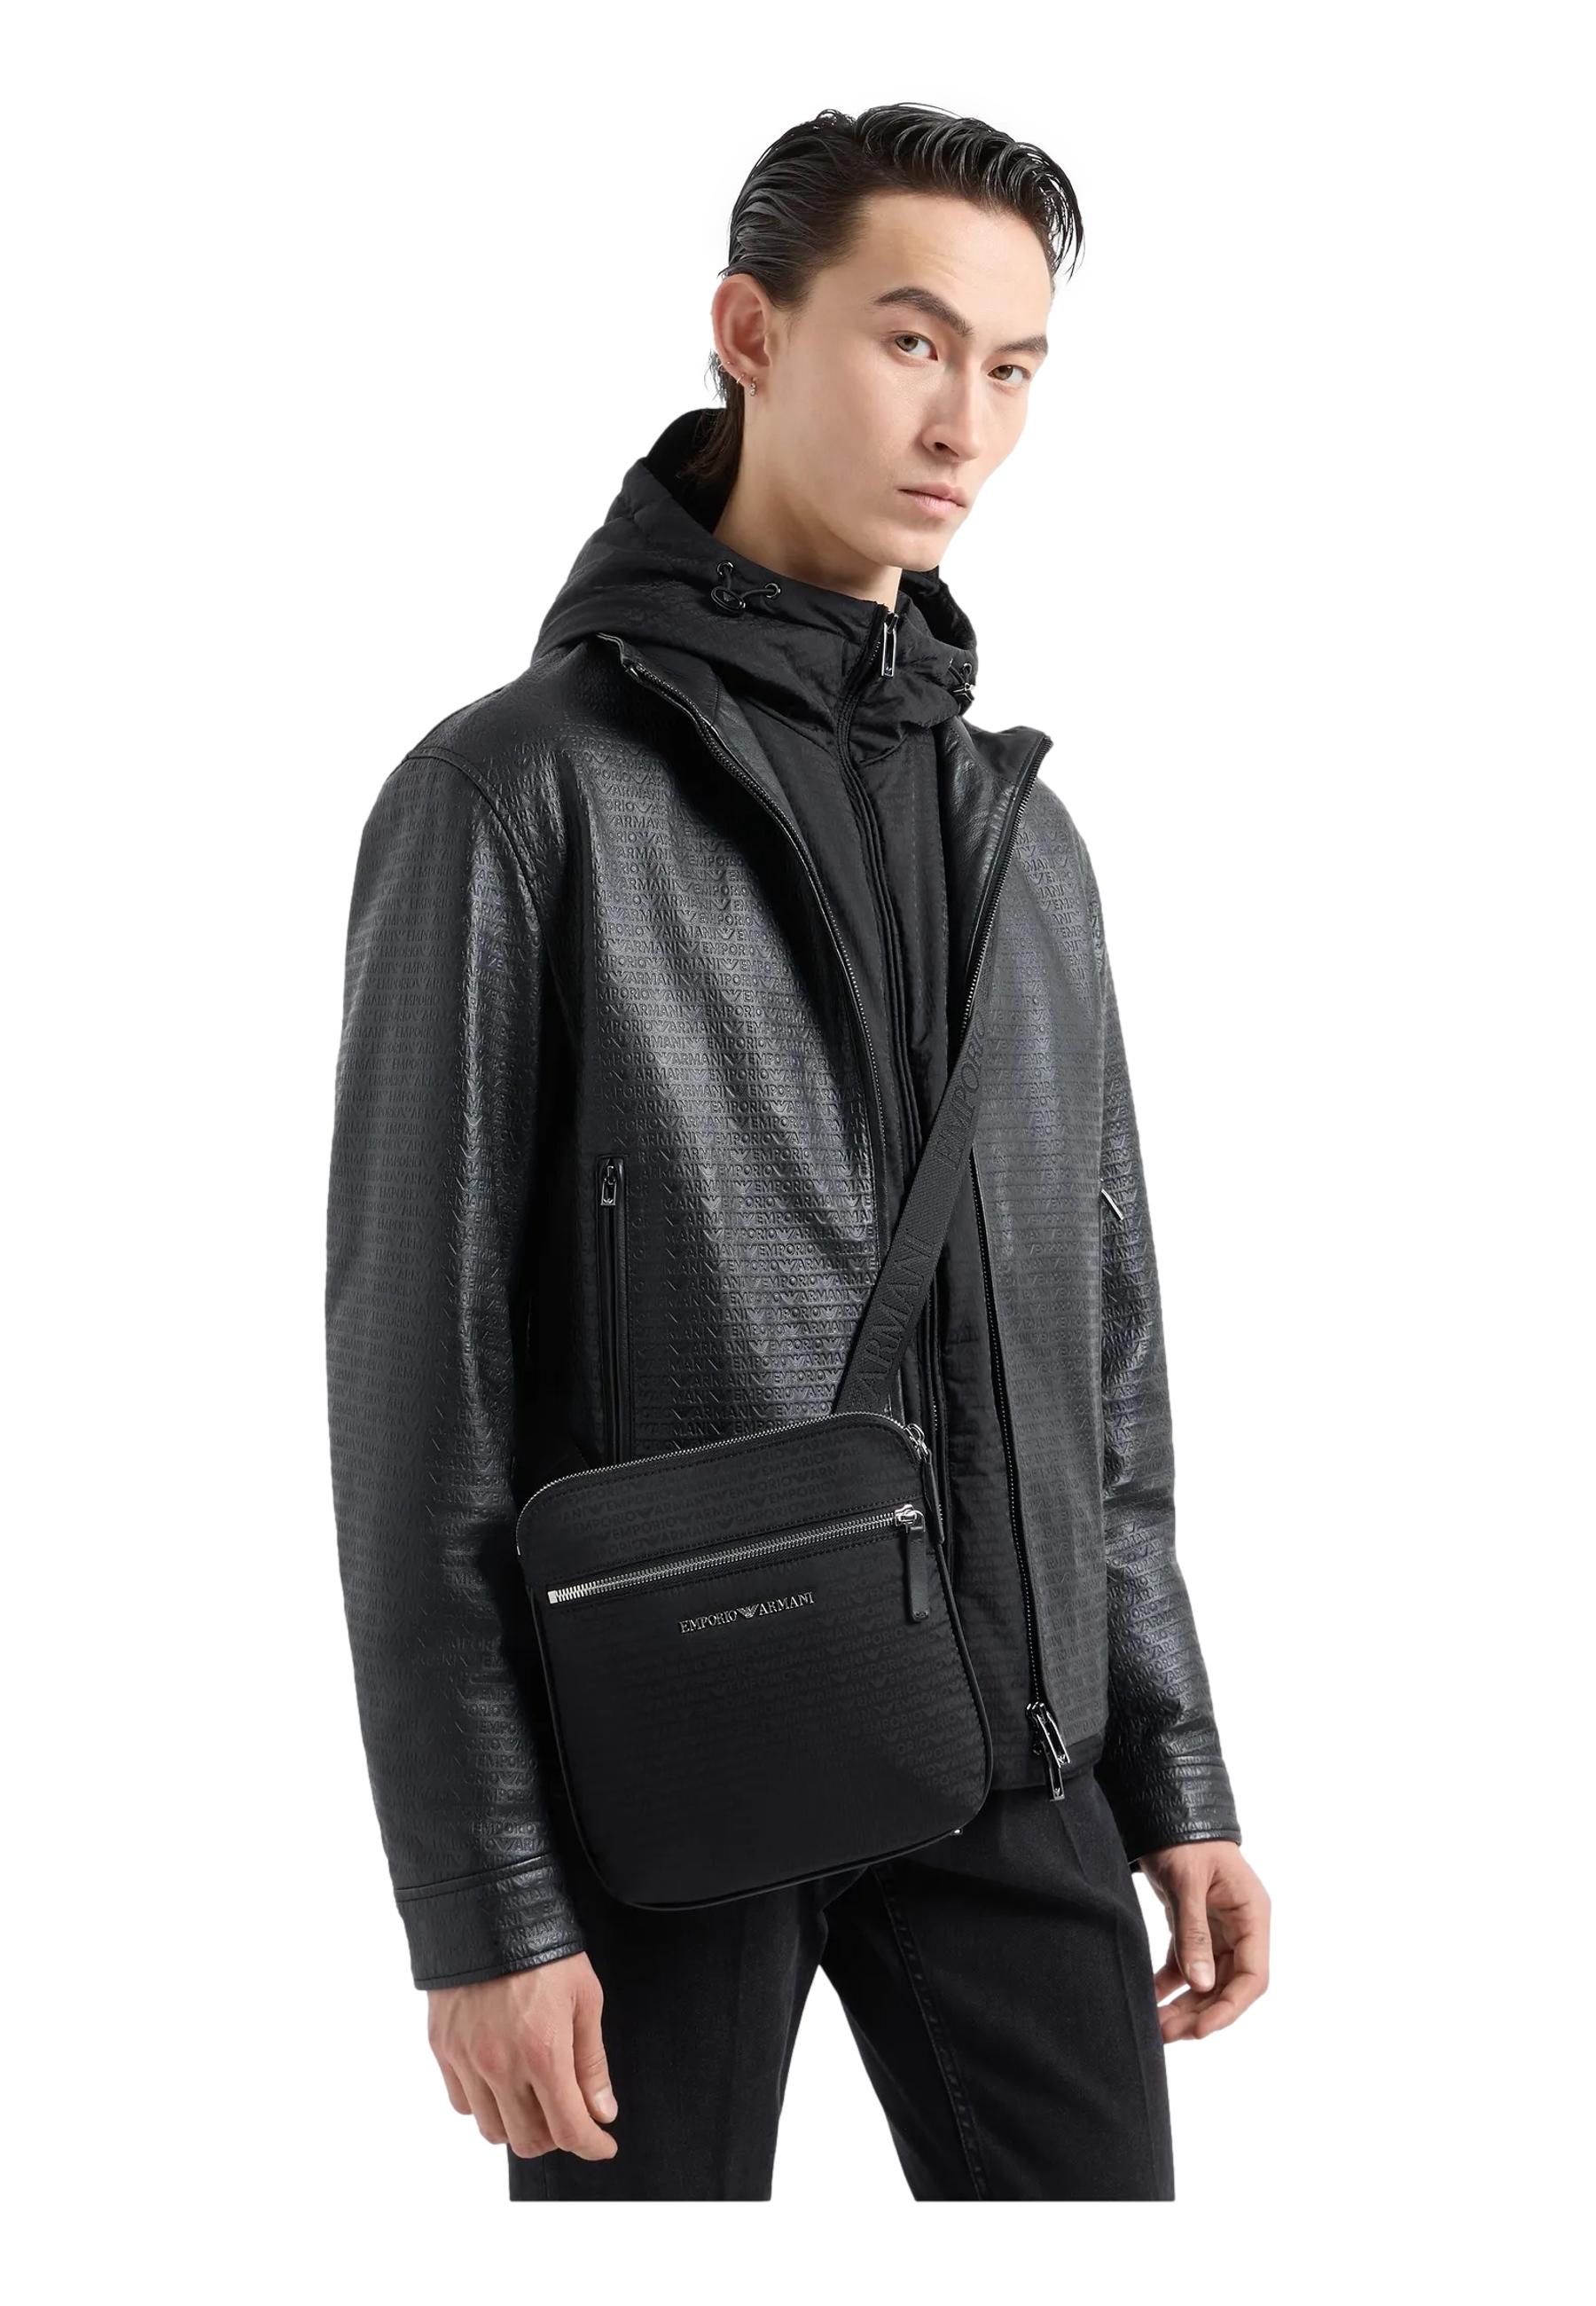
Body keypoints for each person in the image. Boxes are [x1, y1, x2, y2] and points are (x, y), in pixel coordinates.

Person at [324, 101, 1271, 2202]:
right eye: (911, 341)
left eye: (1013, 366)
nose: (965, 424)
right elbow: (413, 1402)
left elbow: (1103, 1358)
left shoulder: (1024, 843)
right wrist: (484, 1901)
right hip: (672, 1753)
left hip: (1018, 1755)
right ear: (750, 331)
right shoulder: (516, 798)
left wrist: (1173, 1766)